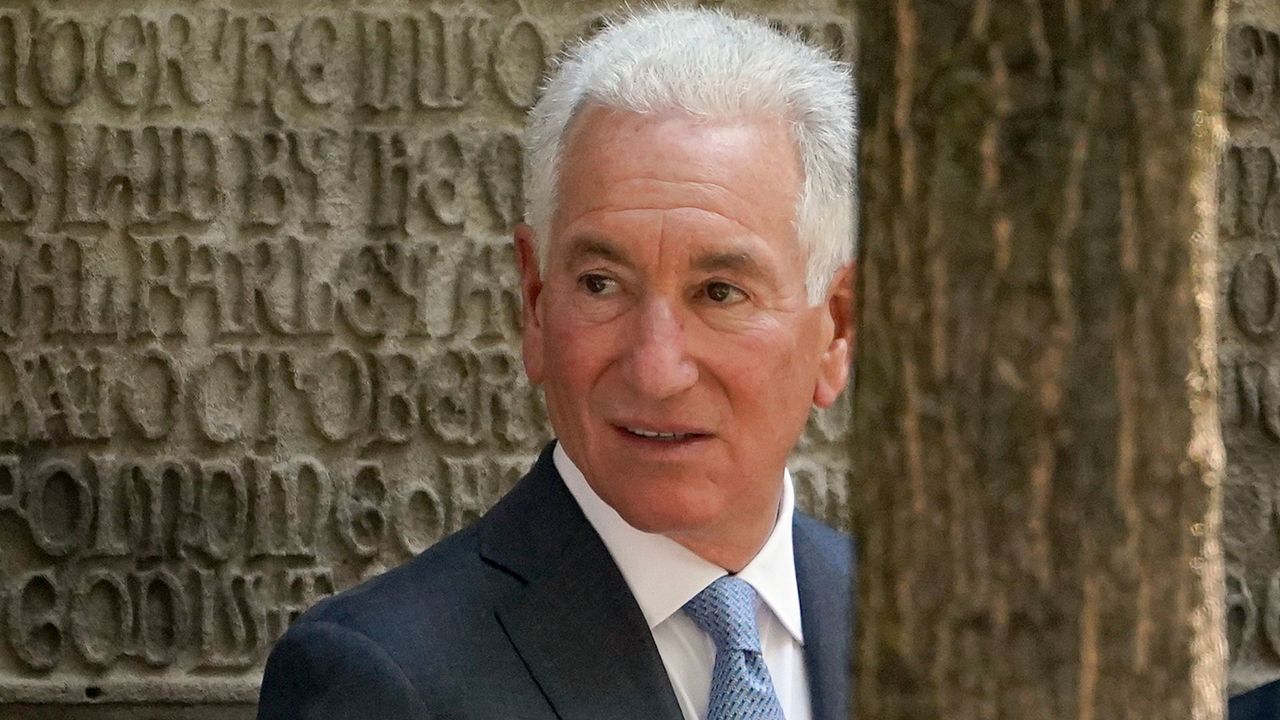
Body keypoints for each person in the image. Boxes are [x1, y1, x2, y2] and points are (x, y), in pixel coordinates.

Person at [256, 7, 857, 720]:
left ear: (836, 331)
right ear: (536, 303)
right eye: (602, 284)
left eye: (719, 293)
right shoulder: (378, 681)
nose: (655, 370)